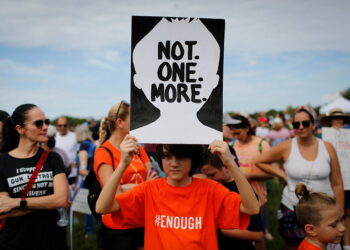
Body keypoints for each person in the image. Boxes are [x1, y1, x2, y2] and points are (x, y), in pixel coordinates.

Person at [96, 137, 259, 250]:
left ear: (192, 159)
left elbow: (251, 208)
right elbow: (102, 207)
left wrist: (230, 163)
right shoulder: (149, 190)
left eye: (181, 157)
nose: (174, 163)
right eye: (167, 156)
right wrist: (123, 163)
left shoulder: (210, 190)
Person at [255, 106, 344, 250]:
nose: (301, 127)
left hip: (325, 211)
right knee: (293, 245)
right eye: (296, 124)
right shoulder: (286, 146)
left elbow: (337, 183)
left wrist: (339, 212)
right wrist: (281, 174)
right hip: (292, 207)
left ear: (314, 124)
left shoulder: (327, 147)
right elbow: (260, 161)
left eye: (305, 123)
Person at [0, 104, 70, 250]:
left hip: (51, 239)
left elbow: (61, 199)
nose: (45, 127)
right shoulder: (3, 161)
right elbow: (3, 209)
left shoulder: (53, 158)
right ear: (20, 129)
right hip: (15, 241)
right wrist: (47, 202)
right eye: (38, 123)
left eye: (46, 122)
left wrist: (16, 202)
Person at [93, 101, 156, 250]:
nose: (138, 123)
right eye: (133, 119)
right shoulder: (104, 153)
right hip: (119, 227)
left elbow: (154, 179)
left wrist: (125, 187)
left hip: (143, 220)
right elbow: (114, 194)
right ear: (120, 122)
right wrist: (143, 187)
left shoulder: (139, 149)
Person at [200, 147, 263, 250]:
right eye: (206, 176)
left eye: (212, 175)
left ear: (225, 167)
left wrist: (218, 229)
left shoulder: (244, 193)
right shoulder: (215, 186)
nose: (209, 179)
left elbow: (257, 235)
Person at [230, 114, 273, 248]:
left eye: (238, 133)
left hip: (258, 196)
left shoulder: (262, 145)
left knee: (257, 235)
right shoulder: (231, 145)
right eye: (233, 134)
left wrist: (250, 176)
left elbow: (272, 173)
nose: (236, 137)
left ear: (247, 128)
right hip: (236, 198)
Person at [320, 107, 350, 249]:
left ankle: (347, 244)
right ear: (330, 121)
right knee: (333, 212)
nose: (337, 121)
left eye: (340, 118)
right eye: (334, 118)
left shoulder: (348, 134)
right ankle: (334, 242)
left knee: (347, 212)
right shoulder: (323, 137)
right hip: (330, 181)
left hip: (348, 179)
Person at [295, 183, 345, 250]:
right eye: (334, 225)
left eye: (341, 219)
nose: (343, 228)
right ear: (311, 229)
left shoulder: (308, 243)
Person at [75, 124, 96, 237]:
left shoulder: (83, 146)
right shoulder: (91, 144)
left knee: (87, 206)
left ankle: (89, 231)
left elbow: (83, 169)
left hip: (87, 181)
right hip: (93, 179)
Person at [55, 116, 78, 184]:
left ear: (68, 126)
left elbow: (79, 152)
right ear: (57, 126)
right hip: (57, 171)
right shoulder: (54, 137)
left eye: (65, 125)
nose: (62, 127)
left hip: (72, 172)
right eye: (60, 126)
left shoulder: (74, 136)